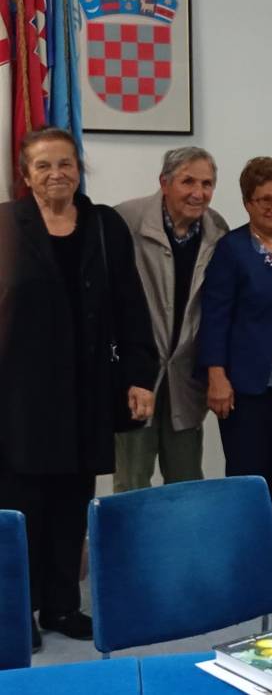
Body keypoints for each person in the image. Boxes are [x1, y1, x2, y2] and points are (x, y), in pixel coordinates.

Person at [0, 127, 157, 652]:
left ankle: (62, 604)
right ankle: (17, 611)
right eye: (43, 165)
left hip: (87, 393)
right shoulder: (4, 224)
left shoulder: (104, 225)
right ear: (26, 175)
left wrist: (140, 375)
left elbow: (130, 306)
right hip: (18, 397)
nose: (56, 174)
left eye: (65, 163)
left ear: (79, 169)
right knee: (20, 508)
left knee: (72, 504)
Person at [197, 157, 272, 542]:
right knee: (248, 480)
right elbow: (214, 316)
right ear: (248, 202)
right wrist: (216, 375)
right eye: (266, 199)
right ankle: (242, 563)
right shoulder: (233, 249)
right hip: (249, 385)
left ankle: (267, 559)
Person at [113, 147, 229, 492]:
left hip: (186, 378)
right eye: (188, 181)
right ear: (164, 183)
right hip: (136, 375)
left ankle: (182, 534)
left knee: (187, 482)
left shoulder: (217, 230)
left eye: (207, 184)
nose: (198, 193)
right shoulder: (125, 220)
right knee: (132, 482)